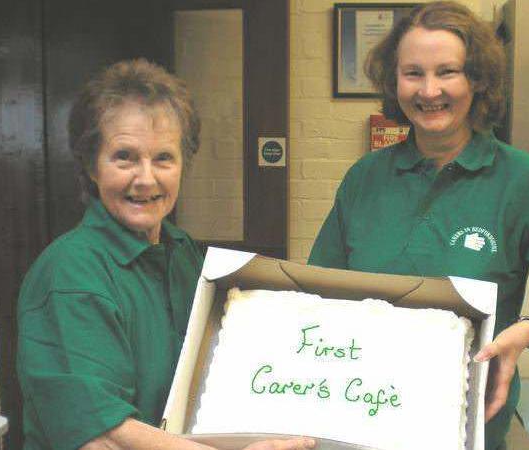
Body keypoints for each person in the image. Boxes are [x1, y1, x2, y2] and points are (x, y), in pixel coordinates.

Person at [308, 3, 529, 449]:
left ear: (477, 79)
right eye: (413, 73)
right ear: (394, 82)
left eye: (447, 71)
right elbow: (317, 292)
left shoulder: (522, 180)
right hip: (360, 420)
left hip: (467, 428)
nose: (430, 90)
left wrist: (527, 331)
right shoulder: (364, 179)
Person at [17, 59, 316, 450]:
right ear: (92, 166)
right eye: (124, 156)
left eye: (163, 158)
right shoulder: (70, 273)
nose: (146, 178)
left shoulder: (185, 255)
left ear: (183, 165)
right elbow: (103, 437)